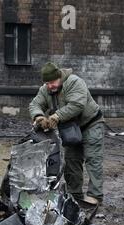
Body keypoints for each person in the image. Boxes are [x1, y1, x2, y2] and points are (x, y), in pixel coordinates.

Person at [29, 62, 105, 205]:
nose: (50, 85)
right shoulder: (45, 90)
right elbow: (35, 104)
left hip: (91, 124)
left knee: (93, 158)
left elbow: (77, 105)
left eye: (52, 82)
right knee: (71, 160)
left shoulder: (74, 82)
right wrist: (39, 116)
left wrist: (56, 116)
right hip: (70, 128)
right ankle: (74, 194)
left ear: (59, 77)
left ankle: (95, 196)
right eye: (47, 83)